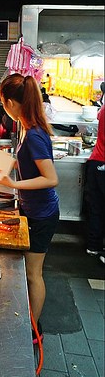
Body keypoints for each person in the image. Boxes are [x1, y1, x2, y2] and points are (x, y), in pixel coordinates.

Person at [0, 73, 60, 342]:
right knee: (30, 272)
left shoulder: (33, 134)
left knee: (34, 274)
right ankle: (31, 322)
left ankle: (34, 329)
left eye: (3, 103)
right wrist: (1, 164)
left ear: (11, 102)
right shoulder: (28, 126)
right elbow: (26, 163)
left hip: (42, 214)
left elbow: (51, 178)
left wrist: (13, 183)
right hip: (33, 210)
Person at [84, 104, 104, 261]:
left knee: (96, 206)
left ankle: (94, 246)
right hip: (100, 161)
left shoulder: (103, 109)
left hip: (97, 161)